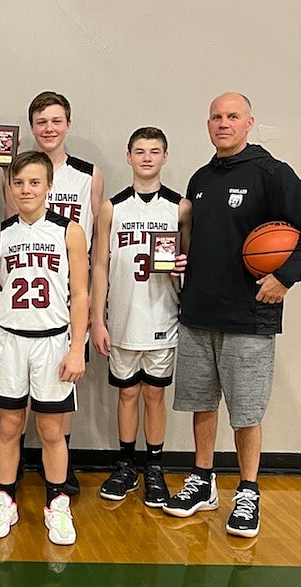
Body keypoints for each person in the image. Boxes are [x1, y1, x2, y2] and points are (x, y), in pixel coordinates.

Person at [162, 92, 301, 538]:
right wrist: (182, 258)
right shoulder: (201, 178)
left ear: (249, 123)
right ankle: (202, 481)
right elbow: (202, 239)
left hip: (249, 316)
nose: (224, 123)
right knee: (201, 404)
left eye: (233, 116)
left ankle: (247, 490)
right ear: (208, 125)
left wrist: (286, 277)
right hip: (199, 312)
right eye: (216, 117)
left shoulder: (273, 174)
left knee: (245, 413)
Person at [0, 151, 87, 545]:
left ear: (49, 186)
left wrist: (77, 348)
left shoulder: (69, 231)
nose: (26, 189)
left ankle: (57, 504)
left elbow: (81, 293)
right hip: (9, 339)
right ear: (11, 185)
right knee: (9, 426)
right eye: (19, 182)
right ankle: (5, 497)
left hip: (53, 341)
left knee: (52, 430)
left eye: (34, 182)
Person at [2, 91, 104, 495]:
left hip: (65, 301)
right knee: (16, 412)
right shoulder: (15, 173)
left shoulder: (87, 174)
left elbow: (96, 245)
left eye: (56, 120)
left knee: (59, 403)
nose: (49, 128)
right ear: (32, 127)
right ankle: (17, 476)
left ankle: (59, 473)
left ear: (68, 124)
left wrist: (94, 306)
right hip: (26, 303)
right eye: (41, 121)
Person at [91, 127, 191, 507]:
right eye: (139, 151)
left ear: (165, 157)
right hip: (122, 317)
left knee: (153, 394)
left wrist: (183, 265)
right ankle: (126, 465)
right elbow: (99, 266)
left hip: (162, 315)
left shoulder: (180, 207)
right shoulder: (111, 208)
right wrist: (96, 319)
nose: (147, 157)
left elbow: (191, 263)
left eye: (154, 151)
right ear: (128, 157)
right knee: (127, 393)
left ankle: (155, 468)